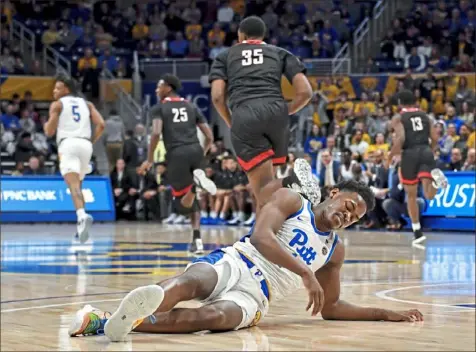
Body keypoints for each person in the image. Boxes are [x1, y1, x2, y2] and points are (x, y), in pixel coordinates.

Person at [68, 179, 423, 341]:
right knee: (192, 282)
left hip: (257, 297)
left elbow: (330, 307)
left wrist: (385, 313)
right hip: (238, 260)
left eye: (355, 217)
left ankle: (108, 322)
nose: (348, 216)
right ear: (334, 194)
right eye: (348, 206)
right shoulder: (291, 201)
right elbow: (260, 238)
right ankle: (122, 315)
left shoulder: (335, 249)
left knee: (208, 318)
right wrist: (304, 272)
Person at [209, 16, 318, 215]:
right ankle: (264, 239)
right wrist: (284, 111)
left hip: (246, 114)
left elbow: (217, 97)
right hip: (277, 113)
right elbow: (306, 92)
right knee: (264, 188)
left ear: (240, 36)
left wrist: (231, 121)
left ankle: (294, 186)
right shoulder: (280, 53)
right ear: (263, 36)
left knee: (262, 191)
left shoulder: (225, 56)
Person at [138, 74, 216, 254]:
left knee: (182, 204)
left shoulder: (158, 108)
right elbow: (209, 136)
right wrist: (201, 154)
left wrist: (149, 159)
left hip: (176, 154)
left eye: (159, 86)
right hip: (196, 150)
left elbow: (156, 133)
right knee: (194, 200)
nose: (157, 90)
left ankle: (194, 188)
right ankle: (197, 240)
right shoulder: (191, 105)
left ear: (168, 87)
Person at [43, 74, 105, 244]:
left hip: (68, 144)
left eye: (57, 88)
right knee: (78, 184)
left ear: (66, 89)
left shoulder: (58, 105)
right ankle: (80, 227)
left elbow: (49, 131)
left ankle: (81, 215)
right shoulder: (88, 104)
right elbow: (101, 124)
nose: (54, 91)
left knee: (73, 185)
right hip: (86, 145)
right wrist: (91, 141)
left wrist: (45, 124)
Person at [388, 89, 448, 246]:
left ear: (400, 103)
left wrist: (390, 156)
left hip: (410, 154)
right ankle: (436, 182)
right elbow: (435, 138)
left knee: (412, 196)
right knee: (429, 194)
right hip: (426, 151)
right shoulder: (426, 116)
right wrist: (432, 151)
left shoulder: (398, 118)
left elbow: (401, 138)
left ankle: (417, 232)